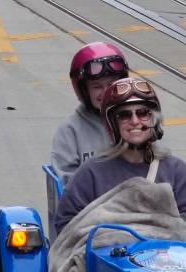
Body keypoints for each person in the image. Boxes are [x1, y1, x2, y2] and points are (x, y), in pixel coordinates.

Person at [52, 77, 186, 238]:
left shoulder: (175, 170)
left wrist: (156, 231)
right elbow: (66, 224)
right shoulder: (92, 172)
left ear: (153, 119)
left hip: (167, 258)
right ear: (113, 124)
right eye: (124, 115)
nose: (135, 121)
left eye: (143, 113)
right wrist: (112, 236)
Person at [50, 42, 132, 179]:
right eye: (97, 87)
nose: (106, 92)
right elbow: (66, 180)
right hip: (91, 199)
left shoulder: (137, 119)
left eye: (111, 84)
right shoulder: (70, 130)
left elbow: (158, 163)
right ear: (84, 91)